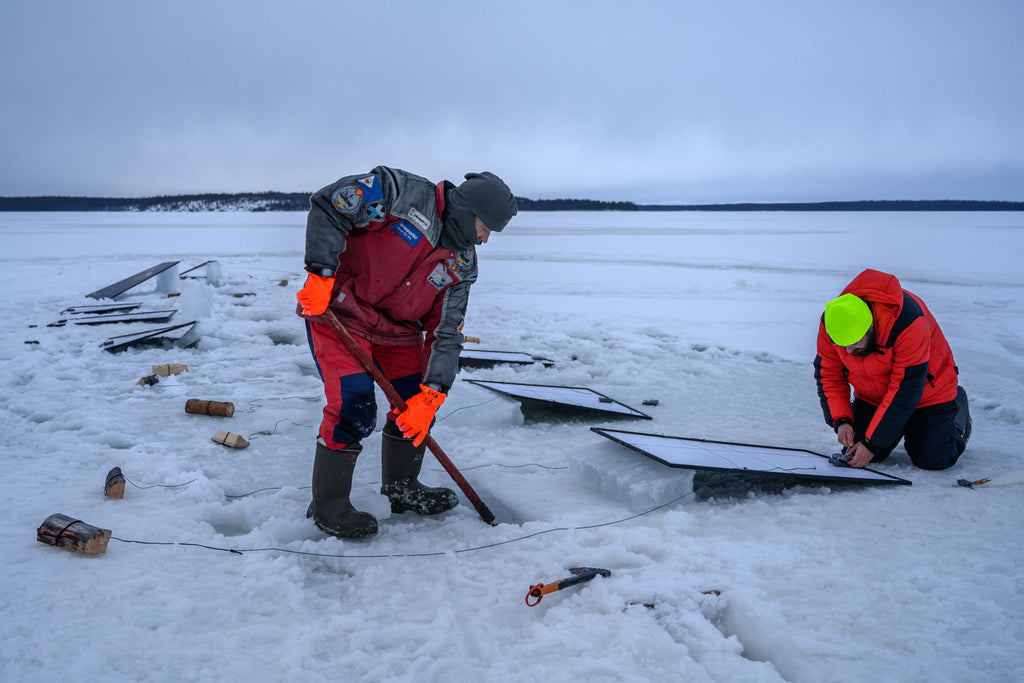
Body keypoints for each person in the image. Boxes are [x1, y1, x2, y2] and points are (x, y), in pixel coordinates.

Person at [296, 166, 517, 538]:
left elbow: (447, 332)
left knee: (417, 403)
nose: (485, 239)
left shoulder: (461, 265)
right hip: (341, 313)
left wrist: (434, 391)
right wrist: (321, 272)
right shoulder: (399, 193)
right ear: (470, 208)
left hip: (398, 334)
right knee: (354, 405)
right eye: (487, 226)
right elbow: (331, 205)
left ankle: (402, 488)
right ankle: (328, 505)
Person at [814, 268, 971, 470]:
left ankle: (957, 409)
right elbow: (829, 373)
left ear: (870, 326)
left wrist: (873, 442)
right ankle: (896, 428)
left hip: (928, 394)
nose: (849, 350)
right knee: (858, 453)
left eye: (854, 342)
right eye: (843, 345)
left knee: (933, 459)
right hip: (874, 396)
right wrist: (841, 420)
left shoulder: (908, 322)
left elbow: (906, 387)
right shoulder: (833, 321)